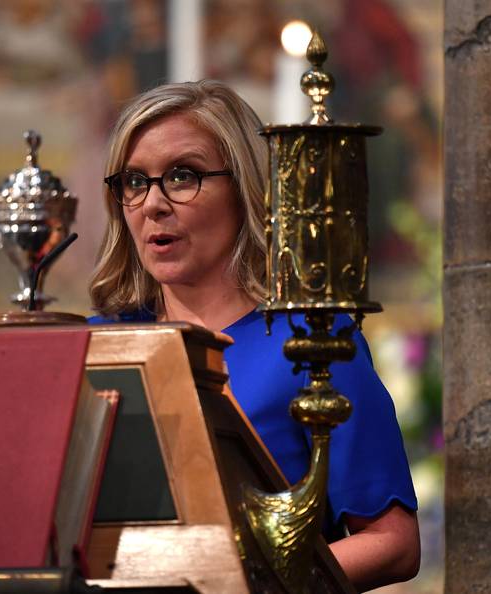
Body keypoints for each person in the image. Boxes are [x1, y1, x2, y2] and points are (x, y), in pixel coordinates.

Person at [88, 80, 420, 591]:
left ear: (245, 188)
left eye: (182, 176)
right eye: (134, 181)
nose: (152, 204)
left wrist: (247, 587)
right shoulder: (97, 345)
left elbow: (393, 543)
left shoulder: (313, 342)